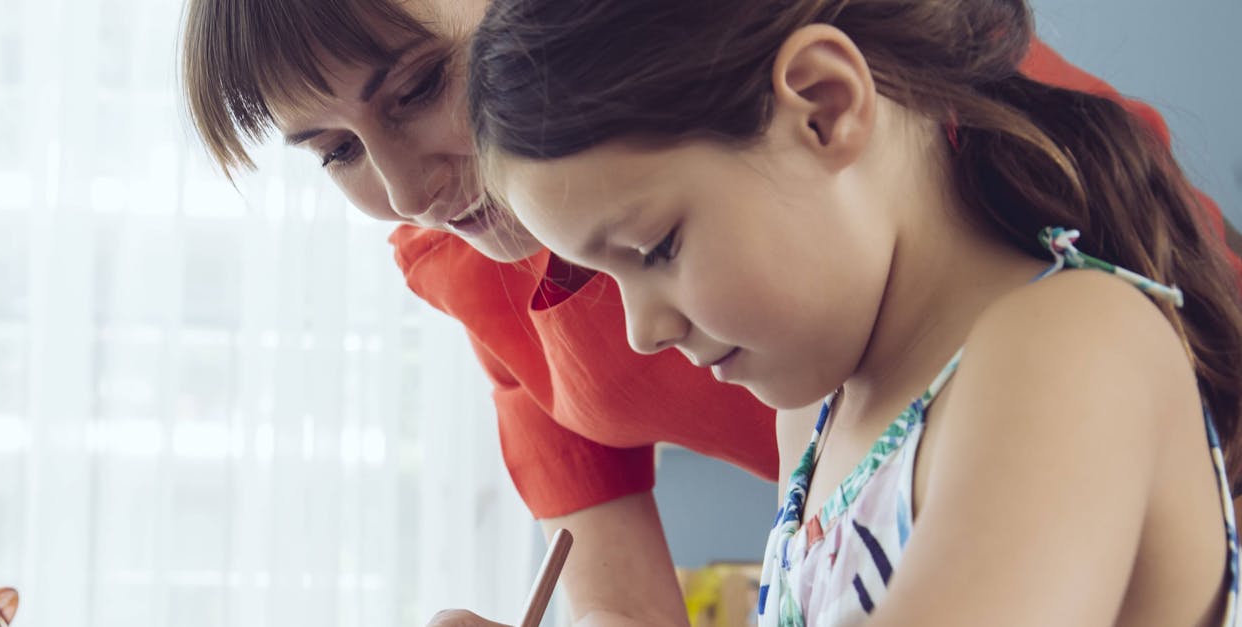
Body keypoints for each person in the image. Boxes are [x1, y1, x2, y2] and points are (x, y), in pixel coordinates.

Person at [179, 0, 1242, 624]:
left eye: (653, 250)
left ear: (824, 107)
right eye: (333, 151)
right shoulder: (818, 410)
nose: (408, 194)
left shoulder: (1069, 349)